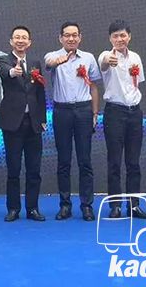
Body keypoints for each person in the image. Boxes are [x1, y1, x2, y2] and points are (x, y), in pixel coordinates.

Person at [44, 21, 100, 222]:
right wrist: (59, 61)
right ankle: (65, 205)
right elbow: (48, 63)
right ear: (60, 38)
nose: (71, 38)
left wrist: (94, 113)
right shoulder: (53, 56)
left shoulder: (88, 58)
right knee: (64, 161)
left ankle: (87, 205)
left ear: (80, 37)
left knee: (85, 160)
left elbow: (93, 86)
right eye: (67, 35)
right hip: (62, 111)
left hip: (84, 111)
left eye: (74, 35)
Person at [0, 26, 47, 222]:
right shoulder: (3, 60)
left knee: (34, 169)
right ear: (11, 41)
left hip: (33, 123)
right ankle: (13, 209)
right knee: (14, 169)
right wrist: (13, 72)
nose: (20, 40)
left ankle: (32, 208)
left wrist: (42, 119)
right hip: (13, 123)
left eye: (24, 37)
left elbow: (40, 93)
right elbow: (4, 71)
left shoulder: (34, 63)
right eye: (17, 37)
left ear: (29, 42)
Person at [98, 20, 146, 219]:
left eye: (123, 35)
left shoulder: (135, 57)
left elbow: (137, 84)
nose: (120, 39)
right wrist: (108, 60)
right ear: (110, 38)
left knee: (133, 162)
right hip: (115, 113)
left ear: (129, 36)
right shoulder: (106, 55)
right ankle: (115, 205)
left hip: (134, 113)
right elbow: (104, 63)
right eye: (115, 36)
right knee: (114, 161)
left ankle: (134, 205)